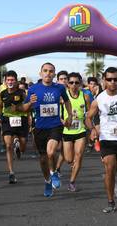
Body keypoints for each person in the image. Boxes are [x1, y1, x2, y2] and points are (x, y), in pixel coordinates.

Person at [85, 67, 117, 213]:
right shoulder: (100, 99)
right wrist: (93, 130)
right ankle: (110, 202)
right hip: (107, 139)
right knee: (109, 168)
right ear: (104, 81)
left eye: (115, 79)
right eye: (109, 79)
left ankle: (114, 172)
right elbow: (88, 118)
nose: (112, 82)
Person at [16, 62, 72, 197]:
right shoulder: (33, 89)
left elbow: (67, 101)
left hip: (55, 125)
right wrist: (30, 103)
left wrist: (69, 115)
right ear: (41, 73)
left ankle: (54, 173)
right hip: (40, 127)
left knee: (51, 152)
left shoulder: (59, 88)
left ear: (54, 74)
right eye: (45, 71)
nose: (48, 73)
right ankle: (47, 181)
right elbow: (24, 108)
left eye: (51, 71)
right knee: (43, 159)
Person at [0, 70, 29, 184]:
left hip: (21, 119)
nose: (10, 82)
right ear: (5, 81)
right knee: (8, 145)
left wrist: (18, 109)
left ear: (16, 81)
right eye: (8, 80)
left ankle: (19, 147)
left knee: (23, 145)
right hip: (7, 120)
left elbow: (27, 106)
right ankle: (11, 172)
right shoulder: (2, 93)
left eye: (12, 80)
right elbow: (0, 106)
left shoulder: (22, 93)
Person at [62, 72, 91, 192]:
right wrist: (63, 121)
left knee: (78, 156)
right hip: (67, 131)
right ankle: (72, 164)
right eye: (71, 82)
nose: (74, 85)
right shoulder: (63, 97)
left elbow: (89, 114)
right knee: (69, 159)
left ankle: (72, 181)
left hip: (80, 130)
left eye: (77, 82)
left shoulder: (85, 97)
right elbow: (57, 113)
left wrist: (92, 129)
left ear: (80, 84)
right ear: (67, 84)